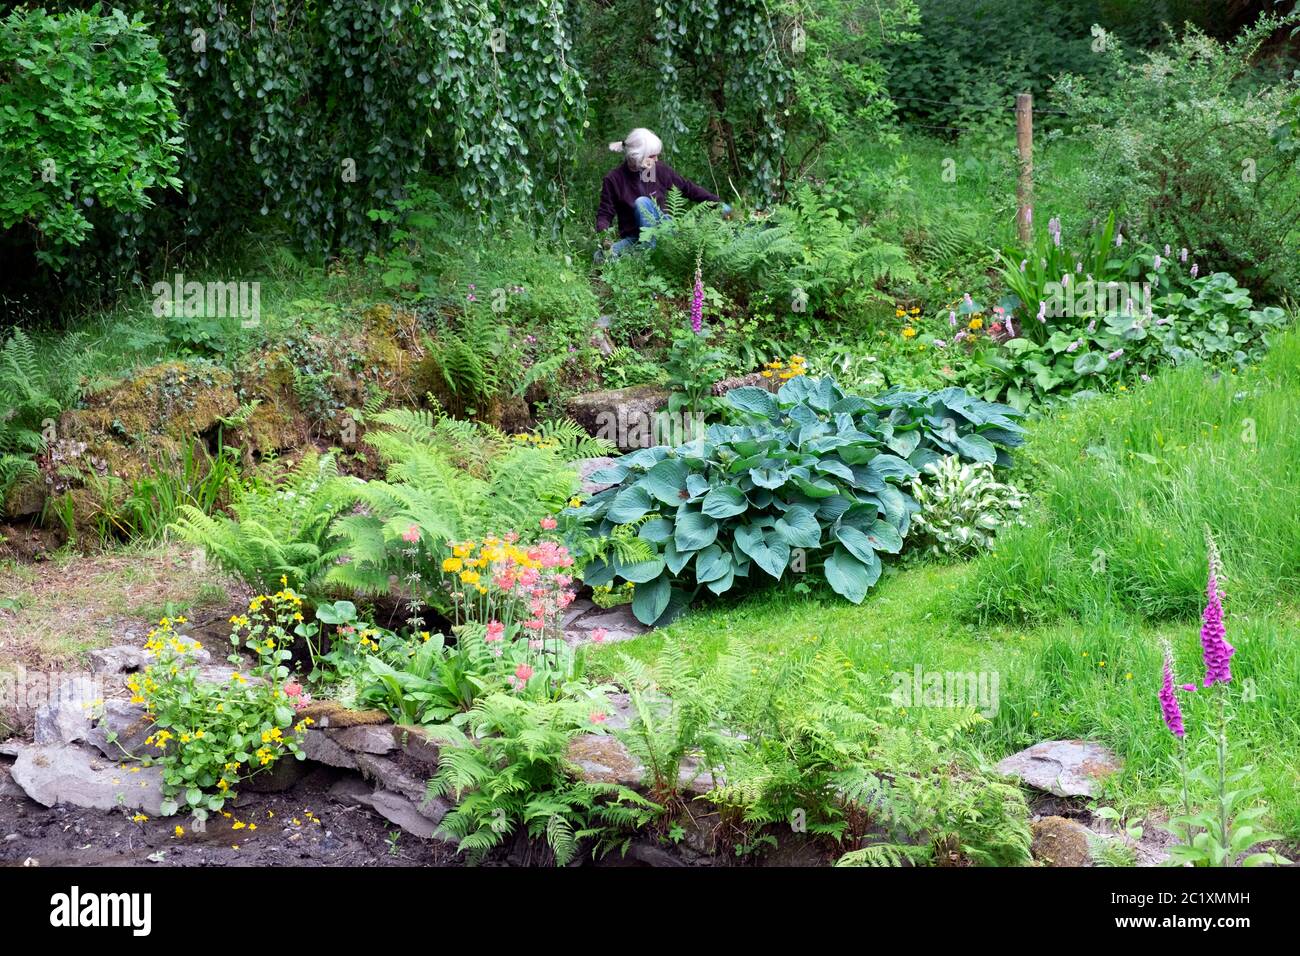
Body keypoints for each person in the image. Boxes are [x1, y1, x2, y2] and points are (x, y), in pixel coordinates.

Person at [594, 127, 731, 261]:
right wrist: (604, 237)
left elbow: (688, 188)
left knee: (642, 202)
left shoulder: (658, 170)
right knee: (600, 257)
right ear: (637, 157)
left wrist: (719, 204)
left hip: (664, 231)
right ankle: (644, 255)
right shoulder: (614, 179)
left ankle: (650, 257)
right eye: (652, 156)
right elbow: (605, 214)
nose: (657, 159)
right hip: (635, 238)